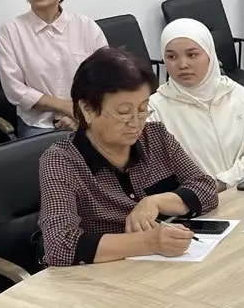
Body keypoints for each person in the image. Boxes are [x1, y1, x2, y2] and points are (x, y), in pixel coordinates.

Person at [38, 48, 219, 267]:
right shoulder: (62, 161)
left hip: (166, 266)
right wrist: (149, 242)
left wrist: (155, 202)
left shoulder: (156, 136)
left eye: (143, 109)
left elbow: (206, 187)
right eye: (124, 112)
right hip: (102, 276)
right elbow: (60, 245)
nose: (136, 122)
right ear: (87, 109)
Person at [149, 18, 244, 191]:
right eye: (171, 57)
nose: (182, 65)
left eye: (192, 55)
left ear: (210, 55)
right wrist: (203, 192)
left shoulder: (238, 95)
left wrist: (224, 182)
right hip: (195, 202)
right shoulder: (154, 110)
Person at [0, 0, 108, 137]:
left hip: (87, 114)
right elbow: (14, 89)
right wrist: (65, 107)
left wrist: (79, 113)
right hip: (39, 124)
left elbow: (106, 75)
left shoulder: (85, 26)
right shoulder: (11, 31)